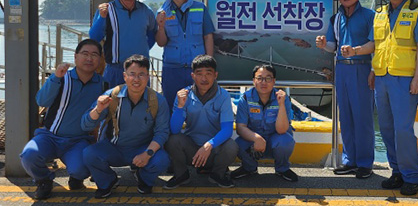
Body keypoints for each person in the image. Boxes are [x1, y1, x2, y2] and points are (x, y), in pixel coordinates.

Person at [345, 0, 418, 195]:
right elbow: (376, 45)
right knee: (386, 128)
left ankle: (412, 176)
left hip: (405, 79)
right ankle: (397, 172)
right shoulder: (380, 14)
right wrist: (357, 52)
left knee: (403, 129)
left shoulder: (417, 11)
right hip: (381, 78)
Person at [20, 39, 105, 200]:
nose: (89, 58)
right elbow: (42, 101)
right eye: (85, 54)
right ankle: (44, 180)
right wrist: (55, 78)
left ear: (100, 60)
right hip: (50, 136)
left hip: (79, 140)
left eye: (94, 55)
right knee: (28, 156)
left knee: (82, 168)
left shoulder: (103, 84)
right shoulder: (62, 78)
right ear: (75, 57)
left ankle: (76, 177)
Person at [81, 55, 170, 198]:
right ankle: (108, 181)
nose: (136, 79)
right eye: (132, 74)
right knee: (89, 154)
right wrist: (97, 109)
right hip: (114, 147)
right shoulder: (112, 96)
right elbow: (85, 125)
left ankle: (144, 178)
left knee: (162, 160)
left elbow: (162, 132)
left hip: (142, 147)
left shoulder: (158, 101)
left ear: (148, 77)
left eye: (141, 74)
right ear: (124, 76)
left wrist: (147, 154)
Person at [315, 0, 375, 179]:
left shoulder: (370, 16)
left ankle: (365, 163)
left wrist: (370, 66)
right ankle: (350, 161)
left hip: (362, 68)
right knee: (346, 118)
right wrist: (323, 45)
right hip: (341, 69)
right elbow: (333, 46)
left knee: (363, 118)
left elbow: (376, 45)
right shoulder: (335, 18)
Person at [163, 55, 238, 189]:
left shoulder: (224, 96)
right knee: (172, 140)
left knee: (232, 146)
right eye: (199, 74)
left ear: (215, 75)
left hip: (214, 150)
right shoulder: (184, 94)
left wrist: (209, 145)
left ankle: (217, 175)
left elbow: (227, 129)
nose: (204, 79)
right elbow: (174, 130)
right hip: (191, 151)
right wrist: (180, 106)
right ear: (193, 76)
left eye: (208, 74)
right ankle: (181, 175)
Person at [155, 0, 216, 108]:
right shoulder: (161, 12)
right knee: (172, 105)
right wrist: (161, 27)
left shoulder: (200, 8)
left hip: (197, 68)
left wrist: (209, 64)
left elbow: (208, 36)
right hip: (172, 68)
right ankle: (173, 130)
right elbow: (161, 42)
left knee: (199, 106)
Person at [89, 0, 157, 88]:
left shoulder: (147, 12)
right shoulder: (107, 10)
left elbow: (152, 37)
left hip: (140, 70)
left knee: (142, 105)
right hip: (115, 69)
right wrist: (102, 18)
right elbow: (94, 37)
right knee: (111, 105)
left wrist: (141, 50)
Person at [230, 64, 298, 182]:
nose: (263, 82)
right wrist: (257, 139)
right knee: (238, 144)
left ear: (274, 81)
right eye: (259, 78)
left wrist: (281, 104)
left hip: (274, 140)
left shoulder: (283, 98)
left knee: (285, 141)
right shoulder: (245, 98)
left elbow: (282, 130)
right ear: (253, 81)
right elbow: (241, 128)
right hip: (254, 142)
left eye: (268, 78)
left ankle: (282, 169)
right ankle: (249, 168)